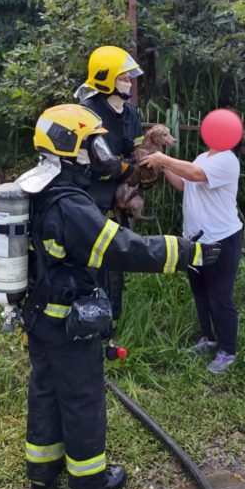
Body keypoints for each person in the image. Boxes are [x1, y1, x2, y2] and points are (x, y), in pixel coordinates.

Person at [16, 104, 221, 489]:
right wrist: (185, 253)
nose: (100, 153)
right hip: (68, 322)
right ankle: (90, 479)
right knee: (82, 396)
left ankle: (42, 471)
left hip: (40, 316)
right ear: (71, 145)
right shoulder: (68, 203)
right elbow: (121, 248)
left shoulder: (37, 185)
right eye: (93, 144)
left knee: (45, 390)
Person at [141, 123, 244, 375]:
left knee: (220, 296)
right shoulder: (202, 157)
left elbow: (196, 175)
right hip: (195, 239)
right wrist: (164, 166)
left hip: (221, 238)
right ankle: (207, 337)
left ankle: (227, 350)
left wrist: (163, 157)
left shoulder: (227, 160)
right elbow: (184, 183)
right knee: (200, 292)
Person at [74, 45, 152, 321]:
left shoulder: (131, 113)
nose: (129, 83)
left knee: (115, 262)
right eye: (122, 78)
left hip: (117, 202)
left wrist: (144, 173)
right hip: (88, 199)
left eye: (129, 78)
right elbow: (99, 162)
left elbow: (135, 152)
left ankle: (111, 319)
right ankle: (84, 318)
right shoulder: (86, 113)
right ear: (105, 79)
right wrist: (126, 169)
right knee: (88, 264)